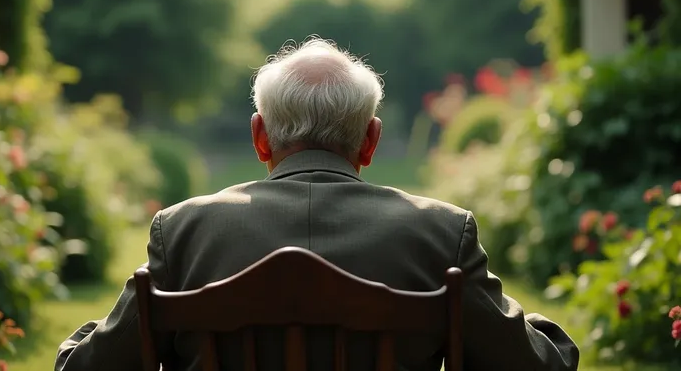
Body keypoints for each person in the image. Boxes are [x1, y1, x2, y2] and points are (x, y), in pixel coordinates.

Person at [55, 37, 580, 371]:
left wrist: (79, 339)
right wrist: (546, 331)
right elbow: (536, 367)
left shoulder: (184, 230)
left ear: (260, 138)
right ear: (370, 142)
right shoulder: (442, 234)